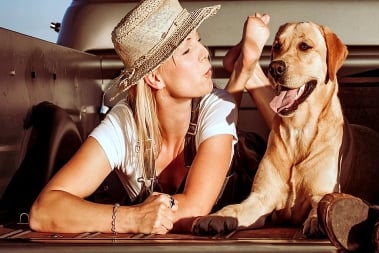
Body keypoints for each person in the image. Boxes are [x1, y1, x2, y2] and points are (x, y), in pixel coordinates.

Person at [29, 0, 273, 235]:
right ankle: (244, 71)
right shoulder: (123, 123)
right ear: (155, 78)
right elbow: (43, 211)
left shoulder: (217, 105)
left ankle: (247, 73)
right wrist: (130, 218)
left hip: (243, 173)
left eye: (199, 41)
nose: (205, 54)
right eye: (187, 50)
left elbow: (196, 208)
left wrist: (137, 216)